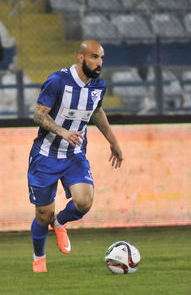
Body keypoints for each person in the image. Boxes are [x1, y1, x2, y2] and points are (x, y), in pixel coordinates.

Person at [28, 39, 123, 272]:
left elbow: (97, 111)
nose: (99, 62)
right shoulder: (58, 81)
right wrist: (62, 131)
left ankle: (60, 222)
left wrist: (114, 142)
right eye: (94, 57)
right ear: (80, 58)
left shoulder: (98, 86)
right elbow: (39, 115)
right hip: (46, 155)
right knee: (42, 214)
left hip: (74, 155)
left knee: (84, 201)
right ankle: (39, 257)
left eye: (101, 57)